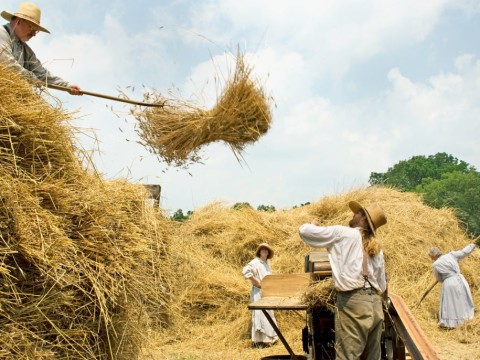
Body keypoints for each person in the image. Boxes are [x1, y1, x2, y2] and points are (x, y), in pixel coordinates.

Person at [298, 201, 387, 360]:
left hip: (353, 303)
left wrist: (313, 224)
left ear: (364, 219)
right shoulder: (377, 247)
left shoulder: (343, 233)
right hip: (375, 304)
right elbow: (382, 284)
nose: (354, 214)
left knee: (347, 356)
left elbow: (305, 232)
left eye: (358, 212)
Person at [0, 2, 81, 95]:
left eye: (36, 31)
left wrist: (67, 86)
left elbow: (41, 74)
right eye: (32, 28)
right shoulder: (1, 34)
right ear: (19, 21)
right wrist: (33, 79)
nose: (34, 34)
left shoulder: (26, 51)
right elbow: (8, 65)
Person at [428, 243, 476, 329]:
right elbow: (463, 252)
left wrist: (445, 277)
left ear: (433, 256)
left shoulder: (435, 265)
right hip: (460, 280)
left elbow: (439, 278)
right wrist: (471, 246)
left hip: (449, 283)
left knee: (451, 303)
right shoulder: (451, 255)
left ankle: (452, 324)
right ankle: (465, 319)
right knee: (462, 300)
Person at [242, 243, 278, 347]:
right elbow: (245, 271)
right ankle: (259, 342)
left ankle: (269, 339)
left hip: (267, 292)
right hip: (258, 292)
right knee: (259, 315)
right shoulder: (255, 262)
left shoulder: (267, 263)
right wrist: (255, 280)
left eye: (266, 250)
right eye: (262, 250)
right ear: (259, 252)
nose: (264, 252)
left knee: (268, 314)